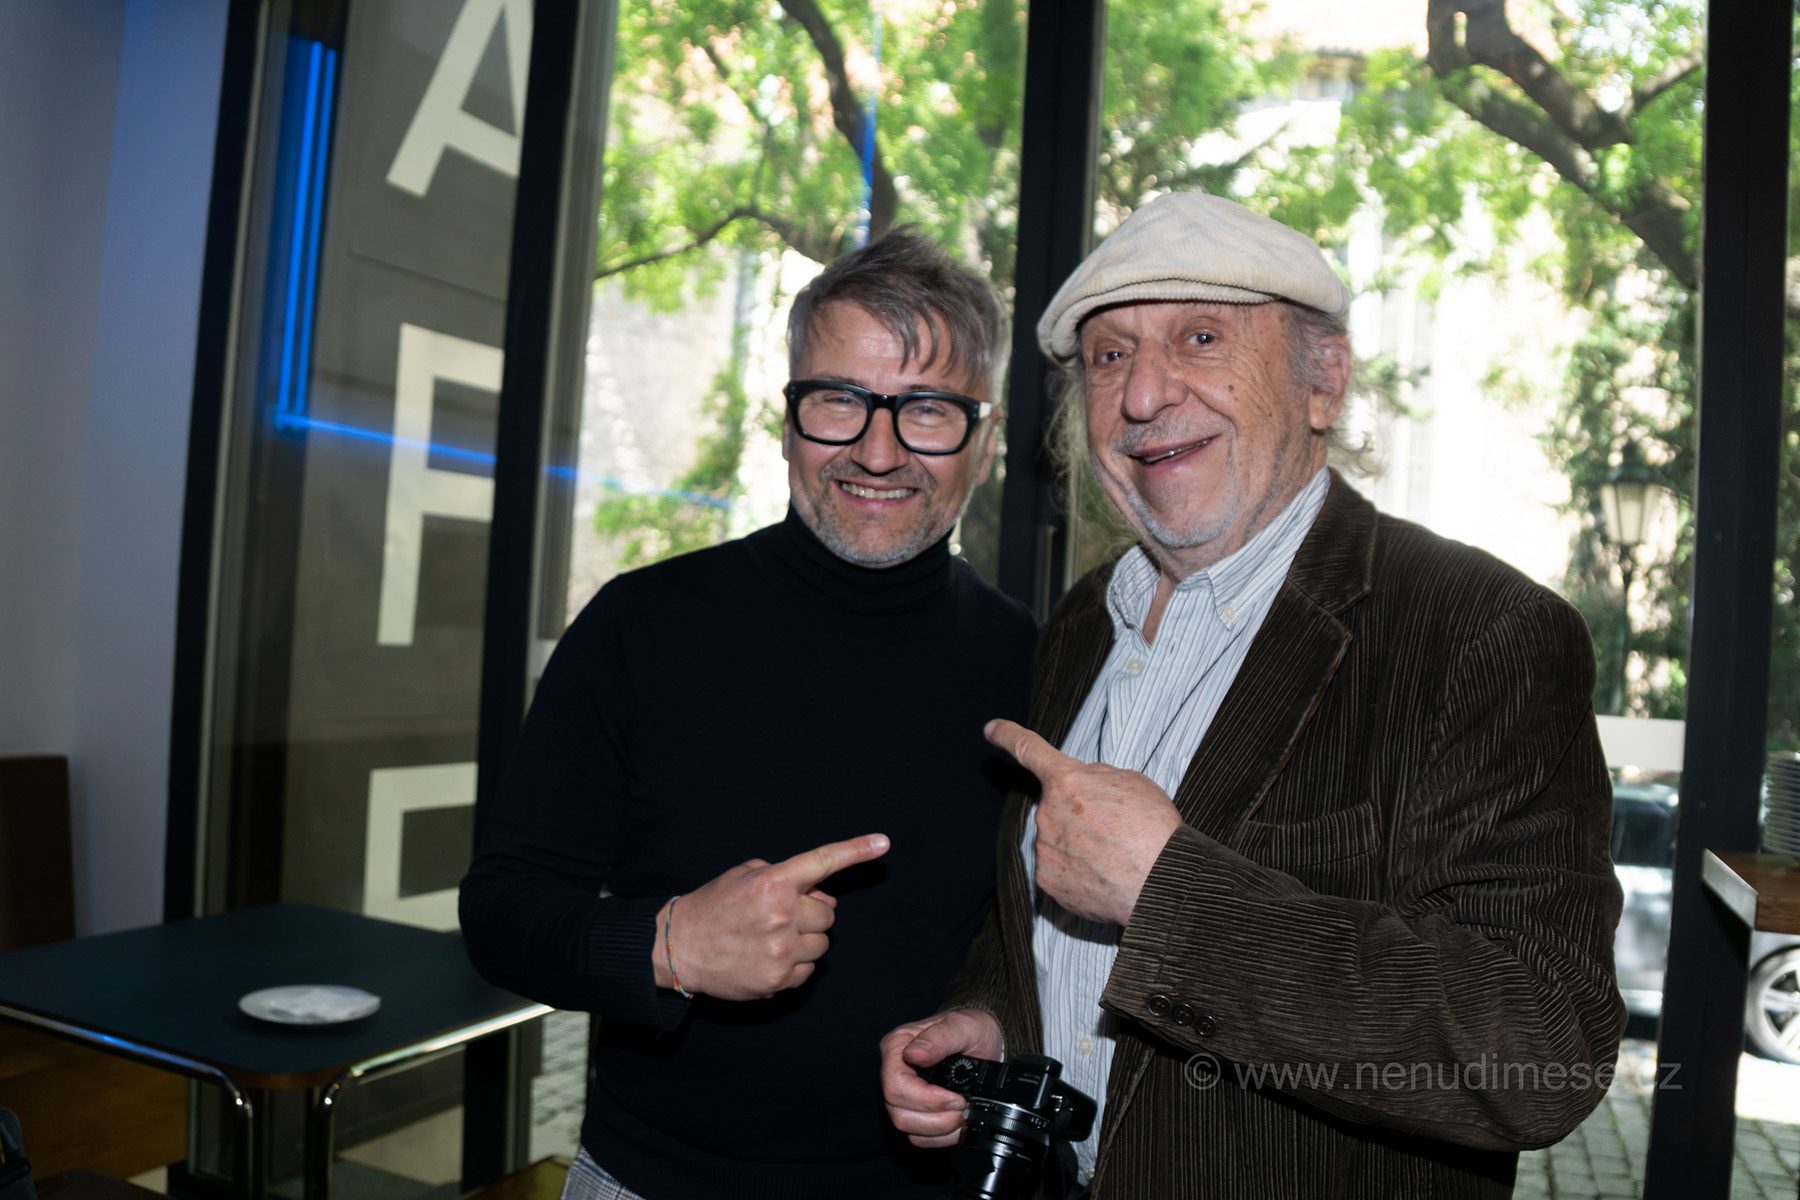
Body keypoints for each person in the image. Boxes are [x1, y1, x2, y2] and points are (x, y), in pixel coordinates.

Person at [881, 192, 1624, 1199]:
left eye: (1201, 337)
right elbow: (1047, 932)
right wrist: (993, 1017)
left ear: (1324, 381)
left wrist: (1168, 893)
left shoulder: (1479, 632)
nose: (1144, 393)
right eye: (1109, 356)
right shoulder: (1084, 622)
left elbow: (1542, 1045)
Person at [461, 230, 1036, 1200]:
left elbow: (1030, 949)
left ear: (985, 441)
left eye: (929, 409)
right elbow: (501, 916)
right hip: (650, 1179)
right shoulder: (643, 626)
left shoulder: (1031, 662)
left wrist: (993, 1020)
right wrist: (671, 945)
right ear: (786, 420)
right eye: (840, 401)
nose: (879, 451)